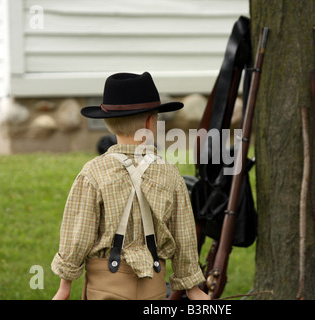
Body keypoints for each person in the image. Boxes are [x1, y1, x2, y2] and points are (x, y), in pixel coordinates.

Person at [51, 72, 210, 300]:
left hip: (104, 286)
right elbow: (184, 234)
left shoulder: (93, 173)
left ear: (108, 124)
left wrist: (64, 287)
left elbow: (78, 234)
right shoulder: (170, 173)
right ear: (150, 123)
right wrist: (193, 289)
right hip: (153, 287)